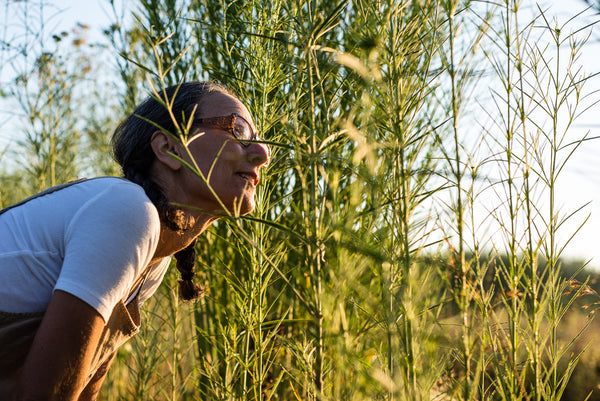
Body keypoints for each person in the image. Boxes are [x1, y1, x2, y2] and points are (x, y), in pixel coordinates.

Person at [0, 81, 271, 400]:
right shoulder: (128, 210)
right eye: (237, 130)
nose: (263, 154)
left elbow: (82, 385)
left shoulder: (155, 259)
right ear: (170, 150)